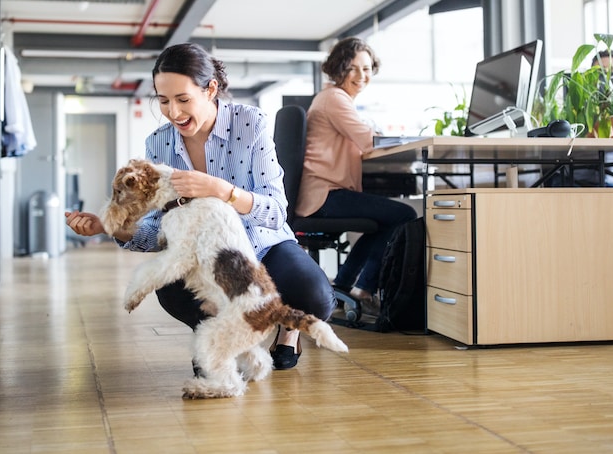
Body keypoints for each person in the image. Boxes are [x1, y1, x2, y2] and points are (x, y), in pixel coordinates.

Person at [65, 42, 333, 371]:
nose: (173, 112)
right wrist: (112, 226)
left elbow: (276, 211)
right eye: (163, 101)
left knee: (315, 297)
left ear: (211, 89)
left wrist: (223, 191)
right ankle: (212, 335)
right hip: (204, 256)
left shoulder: (250, 124)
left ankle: (288, 332)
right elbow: (154, 231)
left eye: (183, 99)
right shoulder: (159, 143)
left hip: (262, 243)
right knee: (171, 289)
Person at [295, 37, 417, 313]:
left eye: (367, 69)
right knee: (404, 215)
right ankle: (363, 289)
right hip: (325, 195)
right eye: (353, 69)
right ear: (339, 69)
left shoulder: (333, 99)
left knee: (384, 222)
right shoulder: (334, 98)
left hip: (325, 193)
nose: (362, 76)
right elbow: (367, 140)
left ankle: (344, 286)